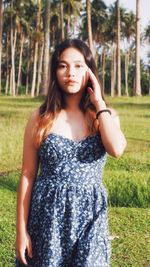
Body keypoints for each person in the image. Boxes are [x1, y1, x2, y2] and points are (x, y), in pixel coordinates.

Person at [15, 39, 127, 267]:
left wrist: (98, 103)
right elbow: (27, 174)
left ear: (89, 70)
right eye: (63, 65)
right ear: (55, 71)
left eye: (78, 65)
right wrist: (21, 231)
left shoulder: (105, 115)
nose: (70, 73)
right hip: (48, 220)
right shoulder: (41, 117)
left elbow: (116, 149)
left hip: (90, 218)